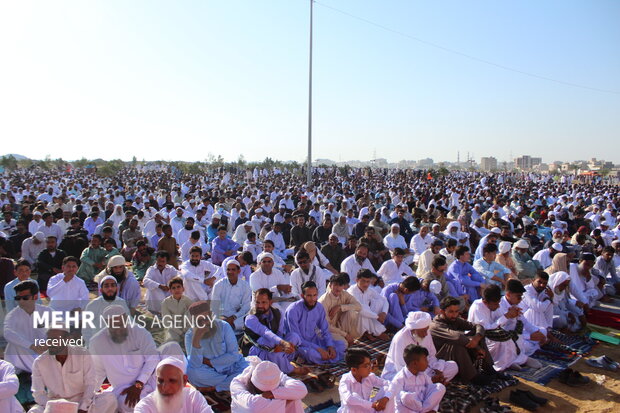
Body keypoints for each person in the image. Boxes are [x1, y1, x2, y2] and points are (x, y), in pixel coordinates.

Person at [89, 305, 164, 413]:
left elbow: (152, 358)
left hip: (149, 382)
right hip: (123, 391)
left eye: (121, 324)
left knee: (171, 349)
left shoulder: (139, 332)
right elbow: (98, 371)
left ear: (126, 319)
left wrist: (139, 384)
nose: (119, 329)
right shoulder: (97, 342)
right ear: (107, 323)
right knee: (132, 405)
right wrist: (89, 395)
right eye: (114, 326)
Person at [30, 327, 117, 413]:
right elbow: (38, 393)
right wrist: (55, 408)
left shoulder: (82, 354)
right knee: (34, 411)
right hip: (55, 404)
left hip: (81, 402)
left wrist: (83, 408)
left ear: (67, 339)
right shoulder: (40, 362)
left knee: (109, 399)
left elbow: (90, 384)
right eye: (49, 339)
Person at [468, 283, 545, 372]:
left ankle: (518, 361)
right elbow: (485, 329)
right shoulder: (478, 307)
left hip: (492, 335)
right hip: (479, 338)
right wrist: (507, 316)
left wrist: (512, 315)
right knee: (504, 339)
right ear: (485, 302)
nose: (498, 306)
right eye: (496, 304)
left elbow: (501, 320)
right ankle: (505, 365)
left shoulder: (493, 305)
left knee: (511, 334)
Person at [429, 297, 495, 384]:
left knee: (477, 336)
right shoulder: (435, 326)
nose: (455, 314)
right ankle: (472, 377)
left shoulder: (454, 319)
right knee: (456, 344)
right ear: (442, 312)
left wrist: (477, 337)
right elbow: (457, 337)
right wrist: (477, 347)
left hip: (455, 354)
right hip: (441, 358)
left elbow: (478, 326)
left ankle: (489, 369)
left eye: (456, 311)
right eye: (451, 312)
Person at [184, 301, 248, 392]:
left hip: (232, 367)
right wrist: (196, 338)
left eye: (206, 318)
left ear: (210, 315)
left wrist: (210, 362)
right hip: (210, 372)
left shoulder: (224, 326)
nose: (204, 323)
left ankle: (215, 387)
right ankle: (230, 383)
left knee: (249, 369)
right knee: (192, 372)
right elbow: (195, 364)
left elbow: (234, 355)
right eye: (199, 321)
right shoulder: (190, 335)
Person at [243, 288, 307, 376]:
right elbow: (265, 332)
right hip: (256, 351)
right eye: (257, 302)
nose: (260, 305)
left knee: (294, 336)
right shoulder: (250, 318)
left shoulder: (278, 313)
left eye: (263, 302)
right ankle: (290, 369)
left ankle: (280, 361)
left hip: (275, 348)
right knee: (267, 340)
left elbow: (279, 333)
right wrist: (283, 344)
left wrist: (279, 347)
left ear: (270, 302)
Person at [382, 312, 458, 385]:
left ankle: (428, 385)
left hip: (425, 369)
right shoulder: (400, 339)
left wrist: (438, 369)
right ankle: (428, 385)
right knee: (401, 385)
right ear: (413, 330)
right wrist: (426, 378)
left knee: (453, 366)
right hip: (403, 373)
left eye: (427, 329)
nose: (426, 334)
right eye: (423, 331)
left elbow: (431, 355)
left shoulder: (426, 333)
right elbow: (402, 368)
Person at [284, 281, 345, 364]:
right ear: (302, 296)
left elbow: (324, 329)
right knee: (312, 354)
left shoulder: (319, 307)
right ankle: (303, 357)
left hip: (314, 340)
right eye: (309, 296)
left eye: (315, 295)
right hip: (298, 344)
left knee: (341, 345)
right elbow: (296, 337)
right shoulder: (293, 310)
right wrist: (318, 349)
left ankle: (323, 357)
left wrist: (330, 346)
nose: (312, 299)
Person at [3, 280, 53, 374]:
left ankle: (39, 371)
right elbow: (7, 333)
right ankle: (39, 371)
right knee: (14, 345)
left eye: (25, 297)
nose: (21, 301)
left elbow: (61, 329)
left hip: (44, 350)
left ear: (35, 297)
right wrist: (30, 345)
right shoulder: (12, 315)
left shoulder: (47, 311)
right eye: (18, 298)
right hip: (25, 351)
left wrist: (48, 343)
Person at [230, 356, 308, 413]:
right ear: (252, 382)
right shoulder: (237, 384)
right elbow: (253, 406)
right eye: (261, 390)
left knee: (293, 398)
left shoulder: (276, 375)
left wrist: (273, 393)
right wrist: (280, 395)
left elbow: (302, 389)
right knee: (291, 395)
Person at [134, 357, 213, 413]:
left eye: (172, 381)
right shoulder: (145, 406)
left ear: (184, 381)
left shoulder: (193, 397)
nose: (165, 387)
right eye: (160, 381)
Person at [389, 345, 446, 413]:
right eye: (425, 360)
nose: (427, 363)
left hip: (424, 407)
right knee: (406, 397)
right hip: (407, 410)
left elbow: (431, 393)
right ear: (415, 363)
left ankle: (426, 411)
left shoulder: (423, 375)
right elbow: (396, 403)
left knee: (440, 387)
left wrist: (433, 409)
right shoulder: (399, 379)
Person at [338, 347, 394, 413]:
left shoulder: (370, 377)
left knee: (387, 391)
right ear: (354, 370)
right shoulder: (345, 380)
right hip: (355, 410)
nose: (370, 368)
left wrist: (385, 398)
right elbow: (349, 399)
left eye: (370, 364)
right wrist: (372, 405)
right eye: (366, 366)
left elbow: (391, 385)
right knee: (354, 398)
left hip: (369, 409)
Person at [82, 275, 131, 344]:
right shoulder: (93, 305)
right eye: (106, 286)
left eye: (113, 285)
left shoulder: (122, 303)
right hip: (98, 344)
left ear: (117, 289)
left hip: (118, 342)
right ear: (101, 290)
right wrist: (92, 347)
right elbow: (86, 330)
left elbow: (129, 323)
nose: (110, 288)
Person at [318, 274, 362, 348]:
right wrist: (345, 335)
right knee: (344, 344)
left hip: (338, 328)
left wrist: (340, 307)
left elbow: (358, 306)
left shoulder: (344, 294)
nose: (338, 288)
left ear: (343, 286)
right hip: (326, 331)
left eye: (340, 285)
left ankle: (345, 338)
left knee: (351, 312)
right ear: (330, 285)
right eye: (335, 285)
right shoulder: (323, 301)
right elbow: (326, 326)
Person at [211, 259, 252, 333]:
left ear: (238, 271)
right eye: (228, 270)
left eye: (233, 270)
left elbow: (246, 306)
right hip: (221, 316)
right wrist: (221, 317)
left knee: (250, 317)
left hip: (237, 317)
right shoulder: (219, 284)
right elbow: (214, 306)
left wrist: (234, 317)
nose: (230, 272)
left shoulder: (245, 285)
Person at [348, 269, 389, 339]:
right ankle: (372, 332)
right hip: (351, 321)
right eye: (363, 281)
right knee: (363, 309)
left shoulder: (369, 290)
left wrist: (384, 313)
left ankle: (369, 331)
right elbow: (361, 309)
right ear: (357, 280)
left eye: (368, 281)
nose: (366, 284)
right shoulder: (352, 291)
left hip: (366, 316)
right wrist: (377, 317)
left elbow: (384, 300)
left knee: (379, 302)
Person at [161, 277, 193, 346]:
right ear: (170, 291)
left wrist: (186, 331)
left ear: (183, 289)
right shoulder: (166, 302)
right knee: (171, 343)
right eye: (173, 288)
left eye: (178, 287)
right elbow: (167, 322)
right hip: (173, 328)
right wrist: (180, 333)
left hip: (186, 327)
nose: (176, 290)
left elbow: (193, 315)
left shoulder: (187, 300)